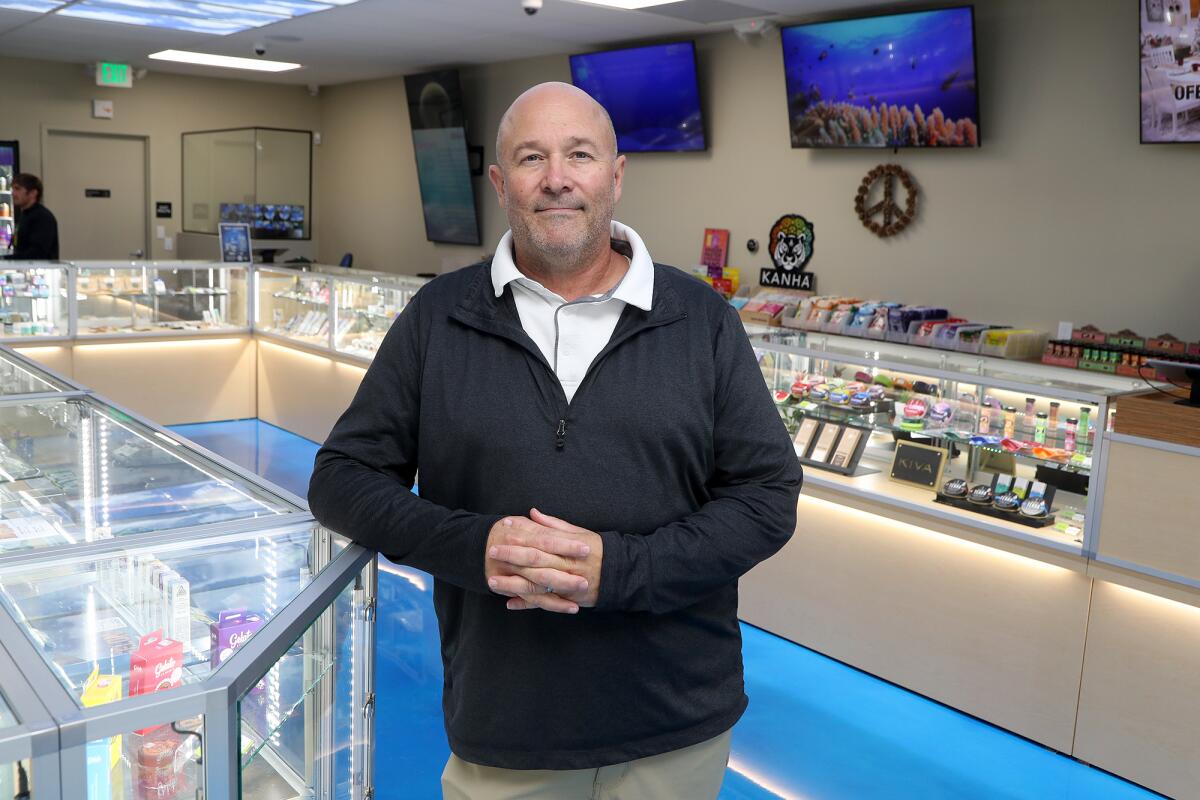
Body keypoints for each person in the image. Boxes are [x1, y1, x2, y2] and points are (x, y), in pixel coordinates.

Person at [308, 82, 802, 800]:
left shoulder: (702, 321)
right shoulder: (439, 318)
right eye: (533, 157)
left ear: (617, 175)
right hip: (506, 730)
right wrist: (475, 547)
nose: (558, 177)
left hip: (675, 725)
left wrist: (621, 570)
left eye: (580, 154)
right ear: (502, 183)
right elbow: (342, 478)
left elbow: (765, 498)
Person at [5, 173, 59, 260]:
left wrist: (6, 259)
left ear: (33, 193)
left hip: (40, 271)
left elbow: (37, 253)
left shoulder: (42, 217)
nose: (13, 193)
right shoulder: (24, 215)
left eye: (17, 189)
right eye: (13, 189)